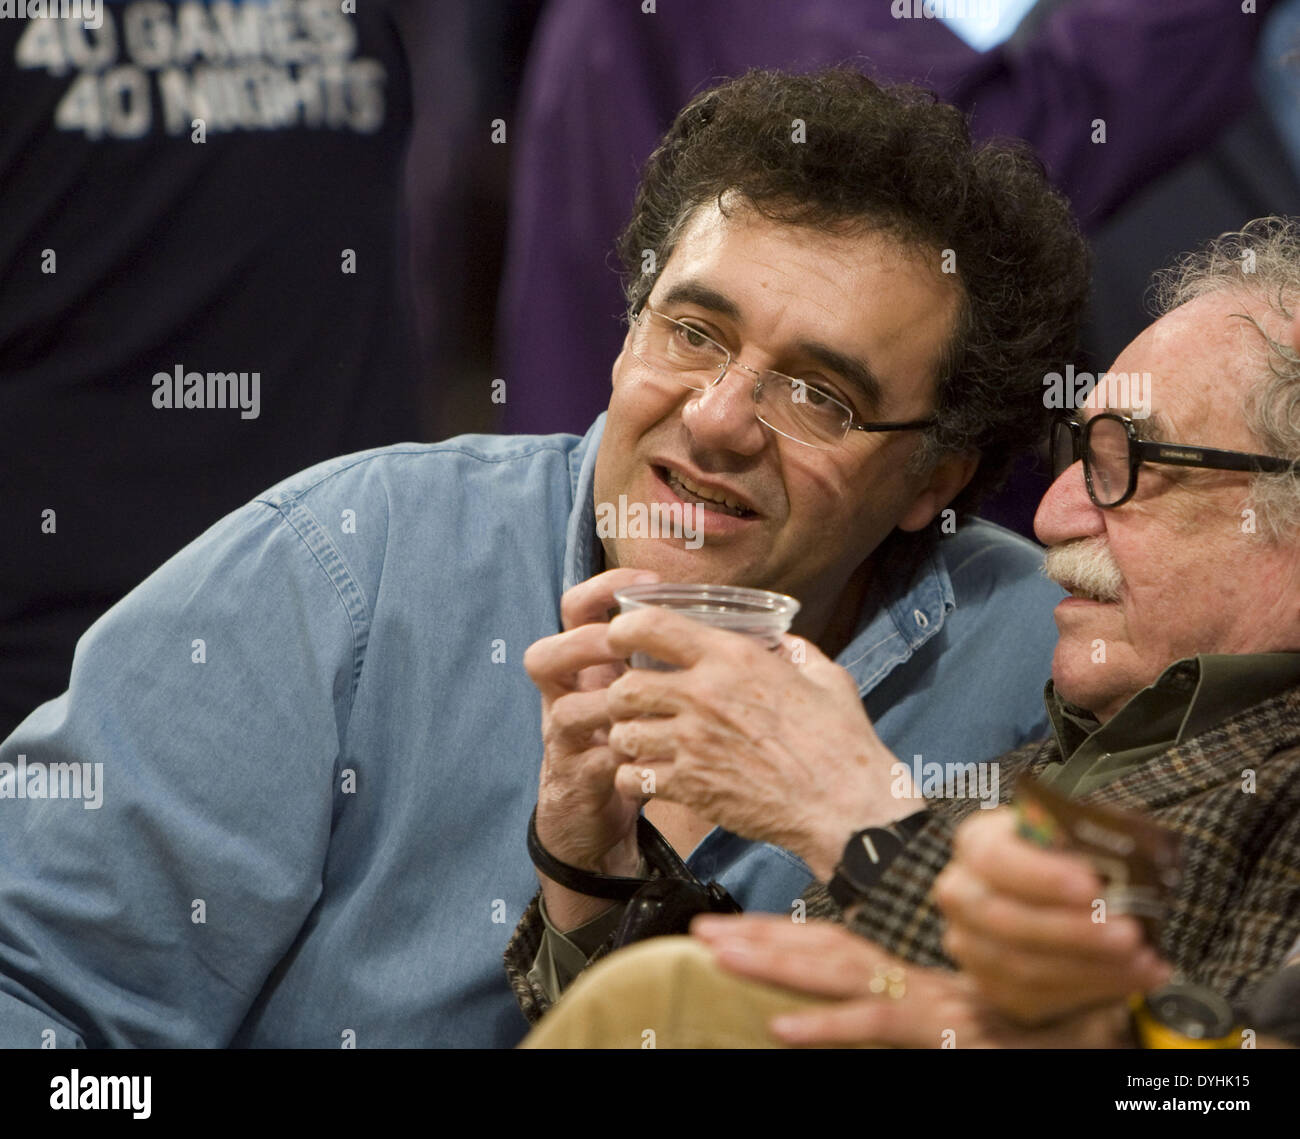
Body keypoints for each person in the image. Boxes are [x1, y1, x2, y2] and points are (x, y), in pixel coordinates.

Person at [0, 68, 1086, 1048]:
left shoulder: (1044, 661)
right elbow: (38, 988)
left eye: (819, 395)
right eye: (693, 333)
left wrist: (869, 832)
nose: (716, 420)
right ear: (622, 337)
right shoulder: (350, 563)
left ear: (935, 481)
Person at [506, 216, 1300, 1040]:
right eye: (1075, 453)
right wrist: (593, 873)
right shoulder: (1048, 760)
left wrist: (865, 829)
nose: (1053, 513)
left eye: (1125, 463)